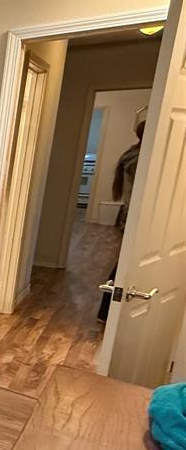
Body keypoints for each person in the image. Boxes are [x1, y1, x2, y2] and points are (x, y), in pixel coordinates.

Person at [98, 114, 145, 321]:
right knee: (124, 266)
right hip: (134, 217)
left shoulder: (133, 155)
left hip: (130, 216)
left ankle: (108, 312)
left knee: (125, 264)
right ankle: (107, 311)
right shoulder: (137, 160)